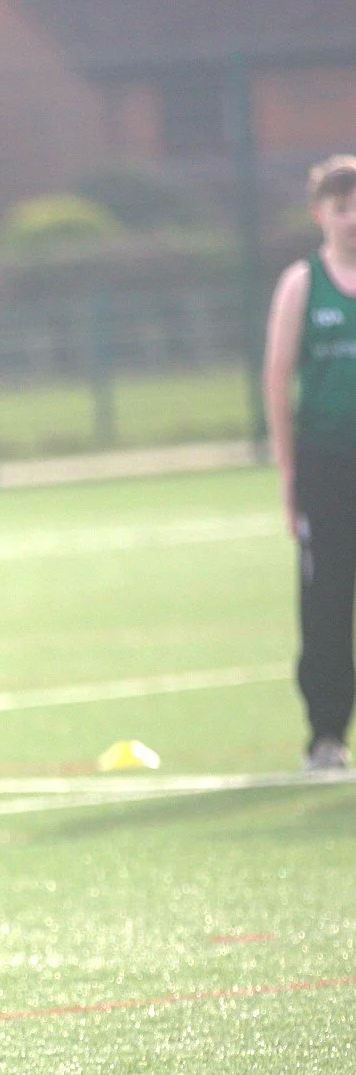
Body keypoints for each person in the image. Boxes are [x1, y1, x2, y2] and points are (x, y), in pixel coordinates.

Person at [264, 154, 356, 774]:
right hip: (326, 465)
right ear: (319, 214)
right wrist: (288, 471)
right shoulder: (303, 283)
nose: (351, 218)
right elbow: (278, 378)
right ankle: (327, 734)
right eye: (340, 207)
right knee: (327, 599)